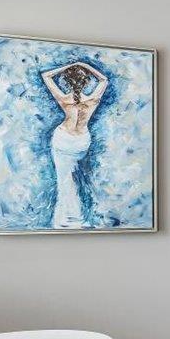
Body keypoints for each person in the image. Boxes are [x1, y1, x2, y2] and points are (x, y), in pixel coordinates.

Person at [41, 61, 108, 228]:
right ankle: (77, 218)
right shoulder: (92, 100)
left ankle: (64, 221)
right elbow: (104, 80)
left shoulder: (64, 99)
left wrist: (70, 65)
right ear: (85, 82)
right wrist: (84, 65)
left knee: (63, 179)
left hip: (63, 139)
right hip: (81, 141)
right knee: (76, 178)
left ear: (67, 81)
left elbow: (46, 75)